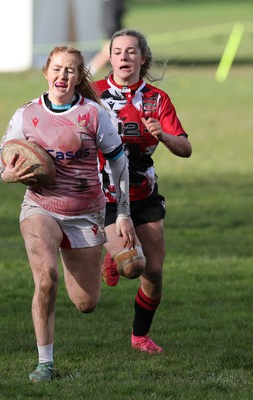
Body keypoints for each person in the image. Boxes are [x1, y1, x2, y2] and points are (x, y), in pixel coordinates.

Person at [0, 45, 139, 382]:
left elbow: (119, 164)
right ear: (46, 71)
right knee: (46, 278)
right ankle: (45, 362)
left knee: (85, 303)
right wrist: (7, 174)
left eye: (70, 70)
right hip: (40, 208)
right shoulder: (26, 115)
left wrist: (124, 213)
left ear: (78, 77)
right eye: (57, 69)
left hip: (86, 213)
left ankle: (105, 253)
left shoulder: (94, 114)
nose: (62, 76)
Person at [93, 29, 192, 353]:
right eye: (117, 51)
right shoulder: (93, 95)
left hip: (144, 193)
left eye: (131, 51)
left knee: (154, 271)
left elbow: (186, 148)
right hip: (106, 195)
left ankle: (140, 336)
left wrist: (162, 134)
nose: (124, 57)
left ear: (143, 58)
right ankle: (111, 254)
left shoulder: (156, 99)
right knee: (132, 267)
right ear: (110, 57)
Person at [88, 0, 126, 76]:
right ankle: (87, 73)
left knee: (110, 52)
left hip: (114, 28)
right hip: (113, 29)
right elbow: (111, 18)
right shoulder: (111, 3)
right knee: (107, 52)